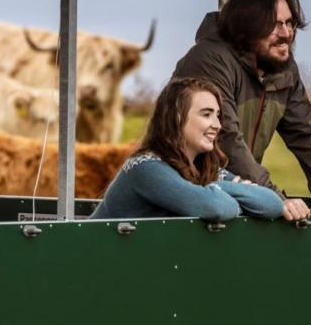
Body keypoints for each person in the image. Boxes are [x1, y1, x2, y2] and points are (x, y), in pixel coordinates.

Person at [173, 0, 311, 222]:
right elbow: (226, 137)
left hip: (236, 191)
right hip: (187, 196)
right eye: (274, 25)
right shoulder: (210, 60)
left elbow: (304, 133)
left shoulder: (282, 68)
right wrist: (274, 198)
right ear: (246, 27)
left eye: (289, 23)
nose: (286, 34)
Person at [90, 77, 284, 221]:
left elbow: (272, 204)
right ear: (177, 117)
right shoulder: (145, 167)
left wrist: (210, 189)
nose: (217, 124)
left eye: (218, 115)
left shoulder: (205, 170)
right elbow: (219, 207)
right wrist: (233, 191)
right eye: (206, 114)